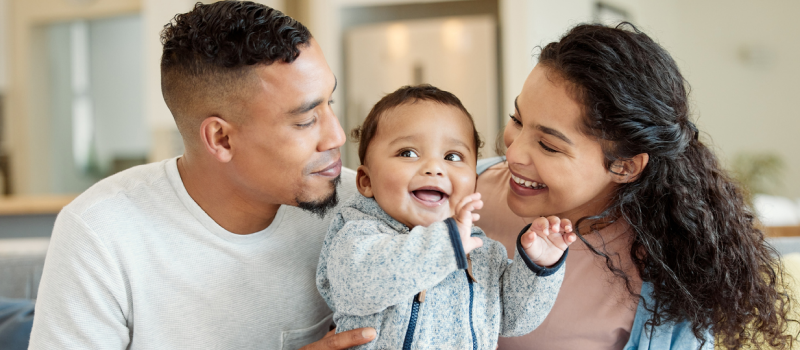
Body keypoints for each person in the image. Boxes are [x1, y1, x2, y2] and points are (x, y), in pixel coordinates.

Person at [29, 2, 375, 349]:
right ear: (221, 139)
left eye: (329, 102)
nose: (337, 136)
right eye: (304, 120)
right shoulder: (100, 232)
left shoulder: (362, 207)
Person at [474, 23, 796, 349]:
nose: (511, 152)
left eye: (548, 145)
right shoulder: (456, 192)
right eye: (517, 120)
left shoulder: (665, 274)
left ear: (624, 166)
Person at [316, 85, 575, 349]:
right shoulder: (358, 238)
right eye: (408, 153)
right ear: (366, 181)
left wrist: (538, 266)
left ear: (474, 183)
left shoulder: (481, 252)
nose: (434, 167)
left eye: (452, 156)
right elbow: (360, 288)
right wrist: (444, 246)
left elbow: (513, 320)